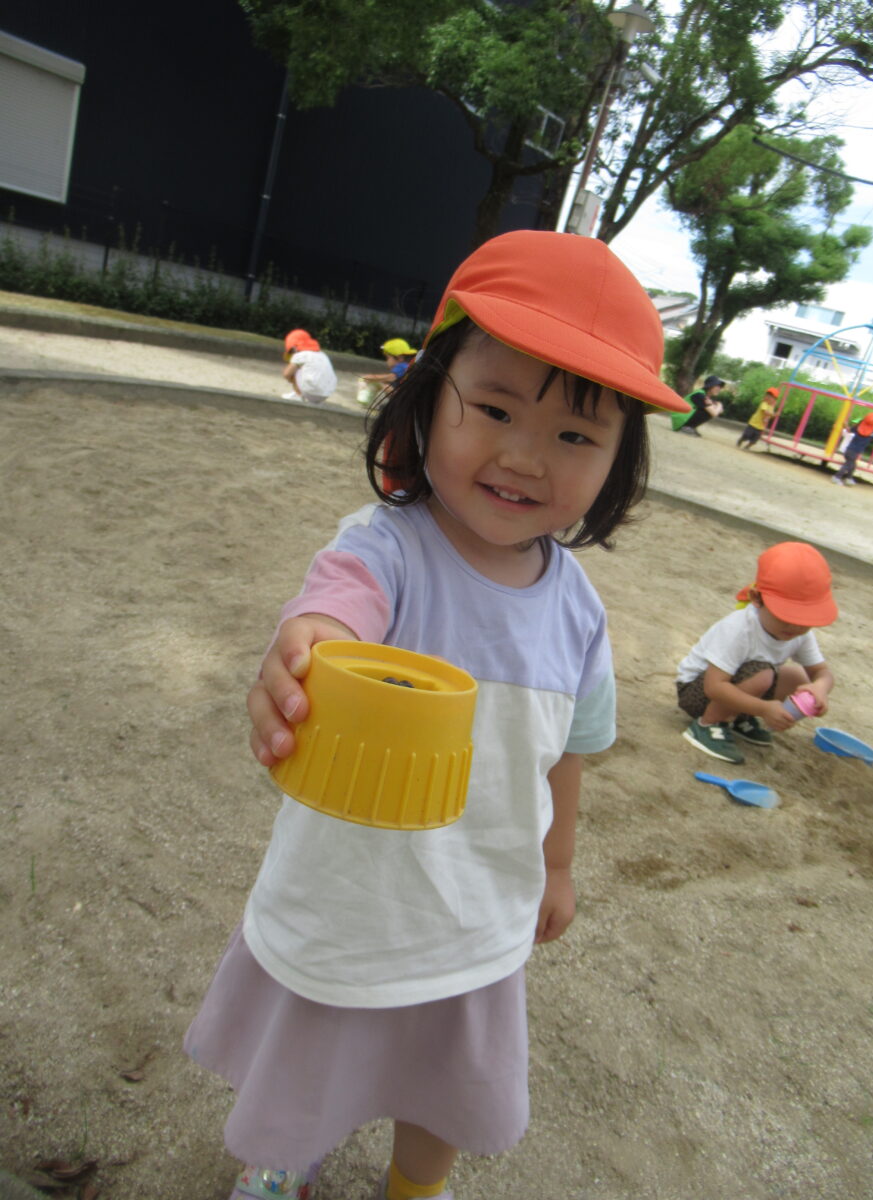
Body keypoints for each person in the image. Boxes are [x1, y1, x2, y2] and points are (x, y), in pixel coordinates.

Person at [184, 230, 690, 1200]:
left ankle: (416, 1187)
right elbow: (338, 603)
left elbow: (569, 753)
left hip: (478, 911)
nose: (524, 456)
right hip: (353, 900)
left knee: (446, 1083)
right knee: (313, 1065)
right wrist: (313, 643)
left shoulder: (578, 609)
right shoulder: (390, 548)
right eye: (494, 408)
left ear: (620, 461)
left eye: (576, 436)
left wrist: (556, 866)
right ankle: (284, 1165)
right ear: (426, 398)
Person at [676, 542, 837, 765]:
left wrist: (820, 688)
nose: (796, 626)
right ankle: (707, 724)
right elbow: (714, 686)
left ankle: (738, 717)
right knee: (762, 674)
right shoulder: (739, 628)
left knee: (799, 678)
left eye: (805, 619)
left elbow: (821, 672)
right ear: (757, 598)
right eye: (787, 616)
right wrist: (763, 709)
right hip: (696, 692)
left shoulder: (799, 633)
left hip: (741, 684)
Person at [282, 329, 338, 404]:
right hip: (325, 394)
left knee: (294, 370)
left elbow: (286, 374)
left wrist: (290, 378)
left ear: (294, 348)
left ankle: (297, 395)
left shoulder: (300, 355)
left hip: (309, 392)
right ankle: (313, 399)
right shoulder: (322, 354)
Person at [358, 337, 418, 405]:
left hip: (406, 399)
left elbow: (391, 378)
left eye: (387, 358)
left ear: (399, 357)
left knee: (384, 386)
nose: (387, 361)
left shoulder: (403, 366)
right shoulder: (407, 365)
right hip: (409, 397)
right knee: (385, 384)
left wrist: (370, 378)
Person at [833, 409, 873, 485]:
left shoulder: (857, 427)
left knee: (852, 465)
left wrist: (845, 426)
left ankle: (849, 478)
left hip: (849, 449)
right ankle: (837, 477)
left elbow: (849, 430)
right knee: (848, 465)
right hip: (855, 451)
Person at [737, 385, 779, 449]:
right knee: (747, 435)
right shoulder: (764, 403)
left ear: (774, 400)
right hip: (753, 424)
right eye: (767, 396)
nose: (767, 398)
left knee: (755, 440)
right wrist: (774, 414)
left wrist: (773, 416)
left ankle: (747, 446)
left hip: (761, 427)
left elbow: (770, 416)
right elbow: (765, 412)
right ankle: (741, 439)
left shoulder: (771, 408)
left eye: (770, 397)